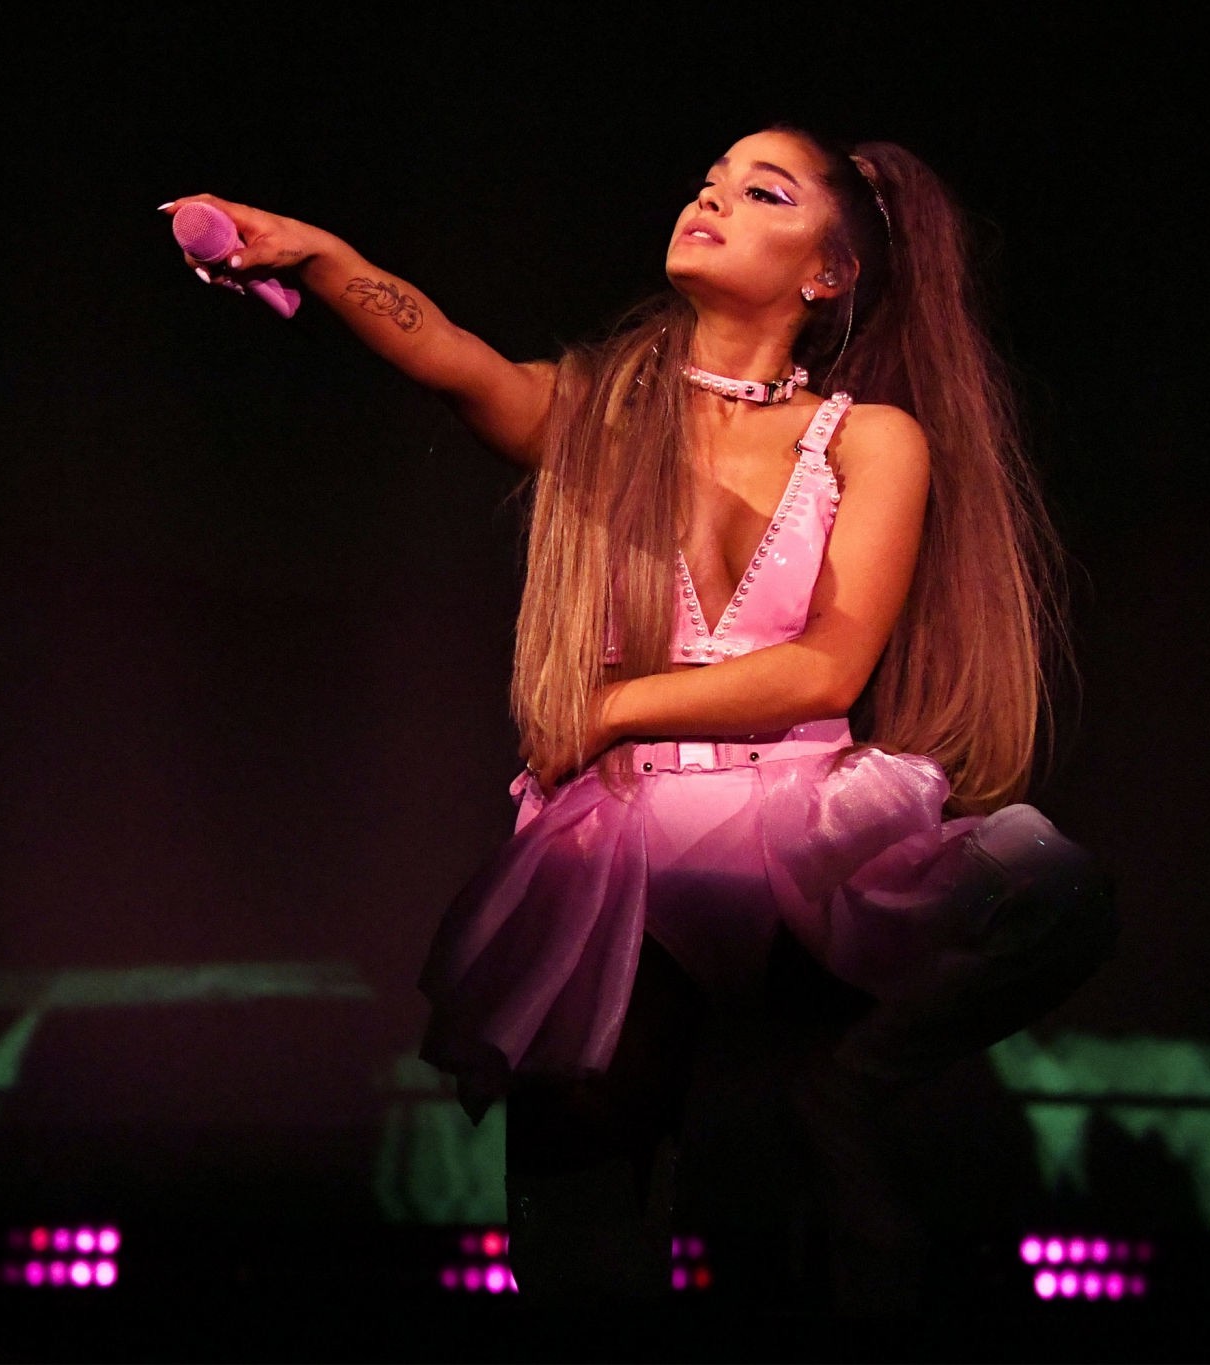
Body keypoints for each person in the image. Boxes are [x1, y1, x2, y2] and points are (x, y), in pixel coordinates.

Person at [163, 126, 1115, 1310]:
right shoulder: (597, 417)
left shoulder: (869, 440)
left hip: (793, 823)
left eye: (761, 192)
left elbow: (824, 669)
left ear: (828, 273)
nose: (710, 198)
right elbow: (449, 356)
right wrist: (318, 257)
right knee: (580, 1208)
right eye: (708, 180)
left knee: (1049, 897)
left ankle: (849, 1096)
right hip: (622, 836)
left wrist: (610, 705)